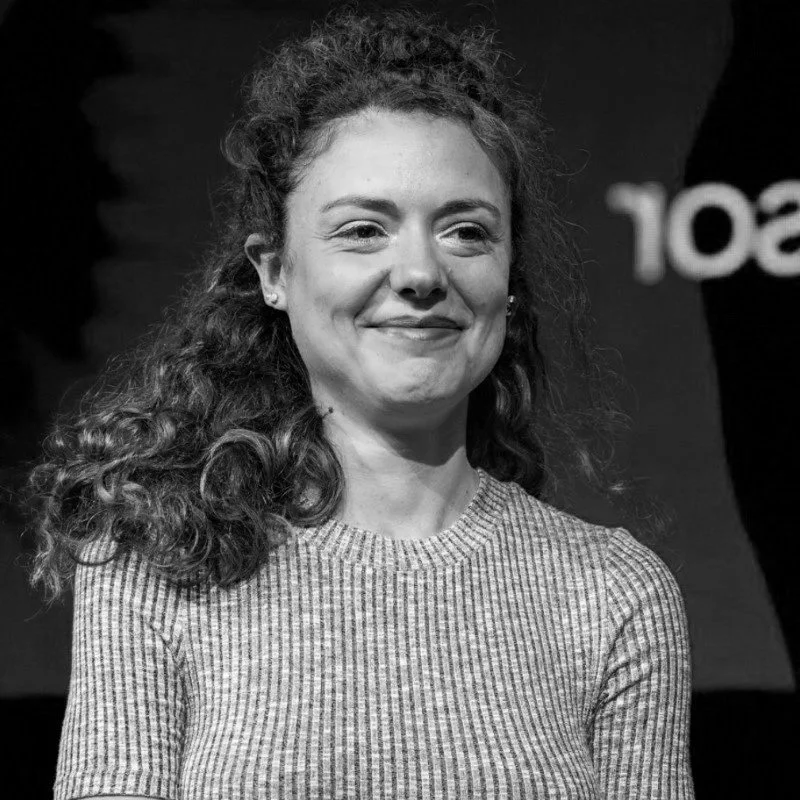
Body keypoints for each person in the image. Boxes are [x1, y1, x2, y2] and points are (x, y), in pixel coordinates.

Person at [23, 5, 694, 799]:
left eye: (467, 233)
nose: (419, 272)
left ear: (508, 283)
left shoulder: (615, 595)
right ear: (275, 273)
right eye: (363, 230)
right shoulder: (157, 562)